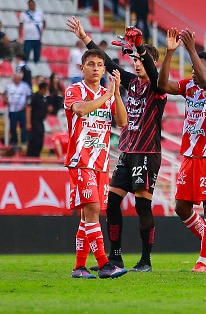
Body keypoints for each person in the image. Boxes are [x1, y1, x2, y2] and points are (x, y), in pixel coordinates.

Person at [67, 18, 167, 272]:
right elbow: (106, 65)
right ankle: (115, 256)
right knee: (111, 203)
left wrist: (141, 48)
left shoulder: (158, 87)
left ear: (150, 63)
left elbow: (152, 74)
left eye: (140, 60)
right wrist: (84, 37)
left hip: (147, 151)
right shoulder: (130, 82)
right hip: (127, 151)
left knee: (142, 204)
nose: (136, 63)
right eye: (133, 59)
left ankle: (145, 259)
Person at [157, 28, 206, 272]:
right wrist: (169, 53)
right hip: (189, 156)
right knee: (181, 207)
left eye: (198, 67)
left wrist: (191, 49)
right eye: (191, 68)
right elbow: (162, 84)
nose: (193, 72)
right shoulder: (189, 87)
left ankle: (203, 258)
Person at [65, 47, 127, 279]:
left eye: (100, 65)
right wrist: (106, 96)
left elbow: (122, 121)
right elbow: (80, 110)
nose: (96, 68)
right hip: (81, 160)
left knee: (87, 216)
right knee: (91, 212)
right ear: (82, 68)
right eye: (91, 64)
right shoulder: (75, 90)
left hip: (101, 163)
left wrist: (117, 94)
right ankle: (103, 264)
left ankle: (79, 267)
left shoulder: (107, 94)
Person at [3, 71, 32, 151]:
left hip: (21, 110)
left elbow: (29, 96)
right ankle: (14, 142)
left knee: (23, 126)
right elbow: (4, 94)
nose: (17, 80)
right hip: (12, 110)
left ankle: (23, 142)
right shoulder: (9, 86)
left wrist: (26, 104)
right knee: (13, 126)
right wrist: (6, 100)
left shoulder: (25, 86)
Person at [25, 81, 51, 157]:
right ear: (42, 89)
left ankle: (37, 156)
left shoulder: (44, 98)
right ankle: (30, 156)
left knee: (40, 141)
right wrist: (28, 123)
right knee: (33, 140)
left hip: (41, 122)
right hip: (34, 122)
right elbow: (28, 109)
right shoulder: (34, 97)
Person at [18, 0, 46, 64]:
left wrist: (41, 31)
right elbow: (20, 25)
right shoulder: (24, 14)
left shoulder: (40, 13)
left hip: (37, 38)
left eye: (32, 5)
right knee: (26, 55)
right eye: (30, 5)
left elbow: (44, 23)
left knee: (37, 56)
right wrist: (20, 36)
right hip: (28, 38)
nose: (31, 6)